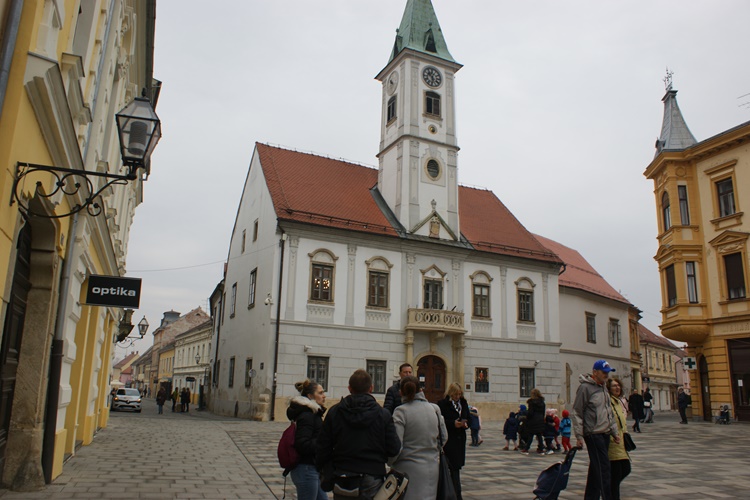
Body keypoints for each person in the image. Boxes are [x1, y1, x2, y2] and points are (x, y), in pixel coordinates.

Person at [316, 369, 401, 499]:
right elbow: (394, 448)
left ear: (349, 388)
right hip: (372, 474)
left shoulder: (335, 412)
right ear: (371, 388)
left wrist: (326, 470)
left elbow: (322, 447)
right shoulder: (382, 414)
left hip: (342, 474)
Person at [390, 375, 448, 500]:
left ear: (401, 392)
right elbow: (444, 437)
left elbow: (396, 446)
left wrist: (390, 462)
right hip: (432, 468)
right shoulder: (434, 409)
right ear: (420, 390)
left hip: (406, 469)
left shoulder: (400, 412)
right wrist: (433, 449)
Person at [573, 359, 620, 500]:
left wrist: (614, 431)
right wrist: (579, 436)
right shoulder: (585, 388)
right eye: (604, 372)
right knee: (604, 469)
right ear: (595, 372)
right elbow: (577, 412)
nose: (606, 375)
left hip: (605, 433)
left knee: (596, 469)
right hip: (593, 434)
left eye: (608, 372)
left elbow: (608, 411)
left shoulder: (603, 387)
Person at [287, 379, 327, 500]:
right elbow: (302, 444)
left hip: (312, 468)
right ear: (310, 396)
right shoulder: (307, 416)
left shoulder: (312, 413)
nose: (324, 396)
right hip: (305, 469)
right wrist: (323, 442)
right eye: (320, 393)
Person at [437, 382, 469, 500]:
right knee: (451, 468)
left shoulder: (463, 403)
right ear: (451, 393)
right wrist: (452, 424)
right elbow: (440, 421)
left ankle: (454, 493)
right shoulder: (443, 404)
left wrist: (466, 423)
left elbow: (468, 417)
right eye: (456, 394)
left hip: (460, 440)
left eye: (459, 394)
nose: (457, 396)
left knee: (456, 468)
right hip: (449, 441)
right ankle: (455, 494)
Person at [607, 377, 631, 500]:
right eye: (614, 386)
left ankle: (608, 491)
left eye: (618, 385)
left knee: (626, 468)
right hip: (613, 442)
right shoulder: (609, 402)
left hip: (620, 441)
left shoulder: (618, 402)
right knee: (616, 475)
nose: (617, 388)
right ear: (608, 389)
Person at [521, 388, 546, 455]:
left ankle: (526, 448)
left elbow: (530, 413)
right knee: (539, 435)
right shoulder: (542, 402)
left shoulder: (532, 402)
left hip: (533, 420)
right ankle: (541, 448)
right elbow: (543, 412)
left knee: (530, 435)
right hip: (540, 420)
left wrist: (526, 415)